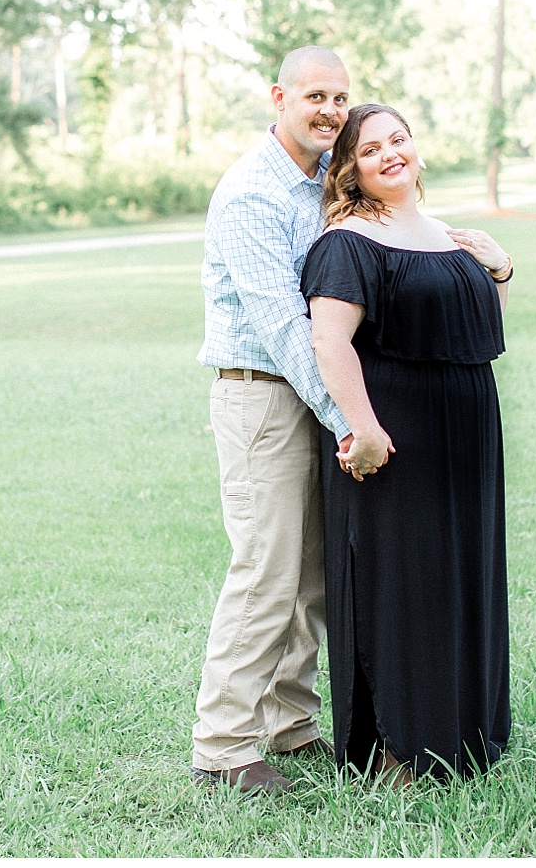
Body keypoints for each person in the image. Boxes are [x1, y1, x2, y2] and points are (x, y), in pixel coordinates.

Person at [302, 103, 515, 785]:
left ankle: (465, 733)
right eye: (370, 149)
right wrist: (363, 426)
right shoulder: (347, 241)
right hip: (394, 438)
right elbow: (330, 340)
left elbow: (476, 329)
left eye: (399, 139)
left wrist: (500, 269)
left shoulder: (446, 234)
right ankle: (399, 748)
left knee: (461, 575)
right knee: (402, 584)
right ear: (351, 170)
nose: (391, 153)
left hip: (467, 435)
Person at [190, 46, 356, 796]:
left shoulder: (324, 180)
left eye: (341, 98)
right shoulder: (253, 193)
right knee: (264, 570)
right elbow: (286, 326)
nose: (330, 110)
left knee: (311, 572)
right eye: (316, 95)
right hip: (261, 394)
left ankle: (292, 722)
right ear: (279, 96)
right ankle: (224, 745)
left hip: (309, 391)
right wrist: (347, 418)